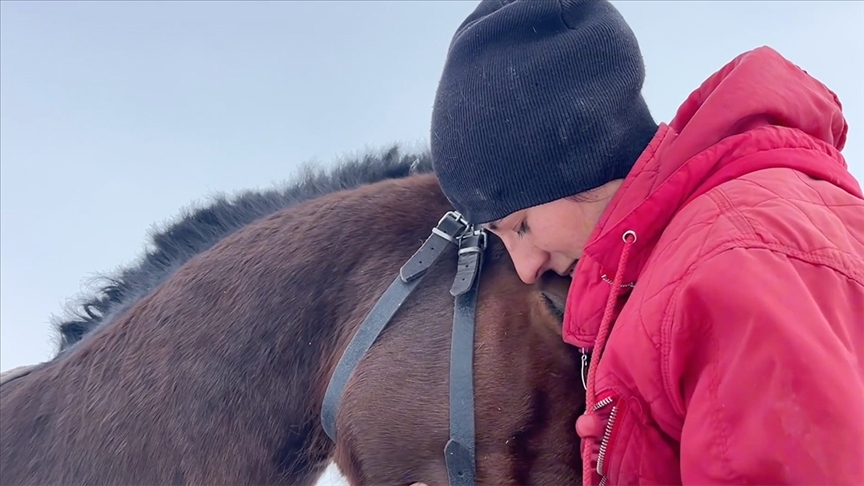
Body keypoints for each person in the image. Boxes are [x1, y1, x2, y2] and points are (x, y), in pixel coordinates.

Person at [418, 0, 864, 484]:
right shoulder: (713, 245)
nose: (526, 268)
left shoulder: (729, 267)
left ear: (579, 161)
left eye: (521, 225)